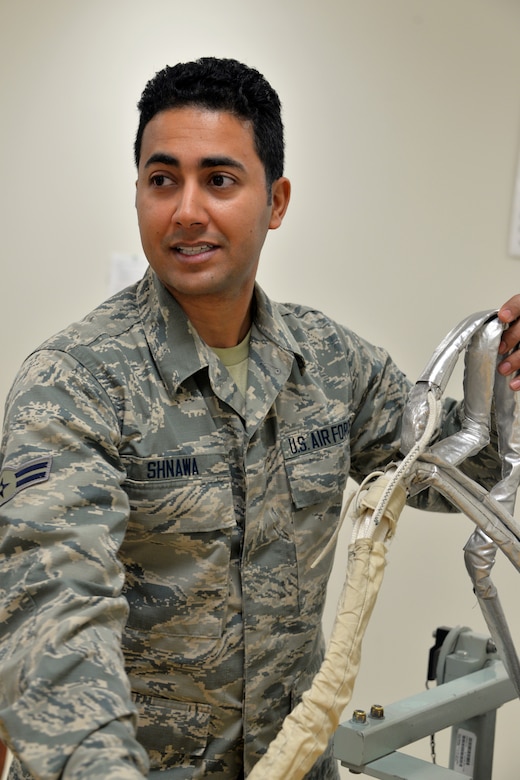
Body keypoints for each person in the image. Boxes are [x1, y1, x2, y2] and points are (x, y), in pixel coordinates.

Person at [0, 57, 520, 780]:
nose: (186, 210)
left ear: (275, 201)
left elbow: (456, 475)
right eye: (161, 179)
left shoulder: (334, 366)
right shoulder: (73, 382)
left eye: (218, 179)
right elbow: (53, 614)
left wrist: (505, 395)